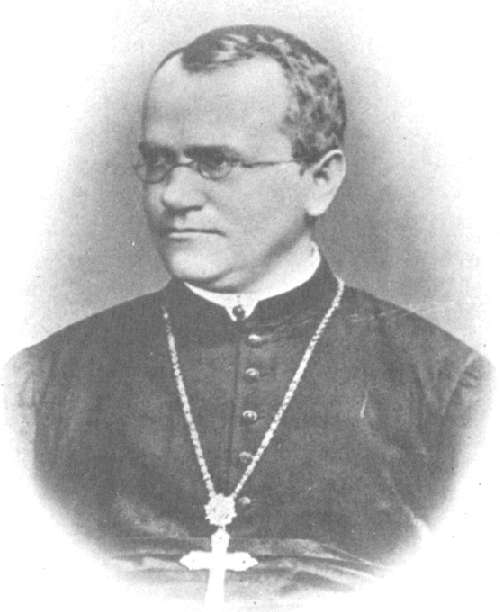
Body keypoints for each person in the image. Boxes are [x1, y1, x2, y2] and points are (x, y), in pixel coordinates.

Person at [3, 24, 491, 604]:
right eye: (158, 161)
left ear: (320, 180)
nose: (174, 195)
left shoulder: (450, 391)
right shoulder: (40, 386)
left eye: (216, 162)